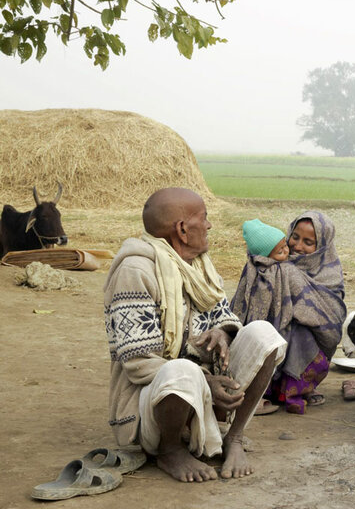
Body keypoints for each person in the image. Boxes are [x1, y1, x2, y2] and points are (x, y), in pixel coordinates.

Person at [104, 188, 287, 482]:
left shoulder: (199, 264)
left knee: (265, 335)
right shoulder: (136, 270)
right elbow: (137, 362)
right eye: (204, 218)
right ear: (183, 230)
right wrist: (205, 380)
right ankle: (170, 449)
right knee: (182, 369)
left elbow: (224, 314)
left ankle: (234, 438)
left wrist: (223, 333)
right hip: (150, 407)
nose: (209, 225)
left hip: (202, 389)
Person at [231, 211, 347, 414]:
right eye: (295, 237)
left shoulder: (328, 273)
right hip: (274, 341)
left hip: (310, 340)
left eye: (308, 242)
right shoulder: (269, 264)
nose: (297, 246)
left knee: (301, 334)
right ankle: (263, 390)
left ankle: (296, 389)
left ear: (322, 247)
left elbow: (331, 318)